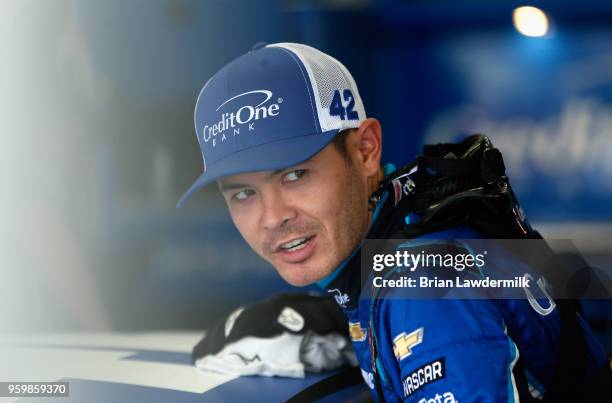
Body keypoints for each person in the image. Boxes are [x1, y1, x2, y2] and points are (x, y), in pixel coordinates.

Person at [177, 42, 610, 402]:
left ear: (365, 149)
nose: (272, 217)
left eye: (295, 175)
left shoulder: (425, 291)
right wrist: (337, 318)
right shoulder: (412, 226)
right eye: (243, 193)